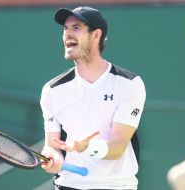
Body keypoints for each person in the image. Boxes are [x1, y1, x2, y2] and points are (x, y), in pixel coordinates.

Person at [40, 6, 146, 190]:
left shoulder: (129, 84)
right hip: (68, 184)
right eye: (65, 28)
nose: (67, 34)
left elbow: (118, 145)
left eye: (76, 28)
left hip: (116, 186)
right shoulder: (51, 90)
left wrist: (86, 148)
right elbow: (52, 146)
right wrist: (53, 159)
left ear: (96, 35)